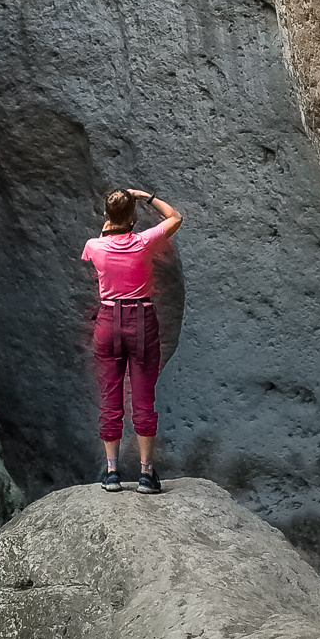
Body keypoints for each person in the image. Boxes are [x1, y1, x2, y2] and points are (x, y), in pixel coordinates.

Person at [81, 185, 183, 495]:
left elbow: (102, 236)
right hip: (141, 320)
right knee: (142, 398)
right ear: (134, 217)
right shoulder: (143, 242)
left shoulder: (93, 247)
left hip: (108, 321)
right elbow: (175, 217)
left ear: (106, 216)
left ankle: (112, 473)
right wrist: (145, 197)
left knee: (111, 397)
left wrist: (114, 215)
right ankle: (145, 475)